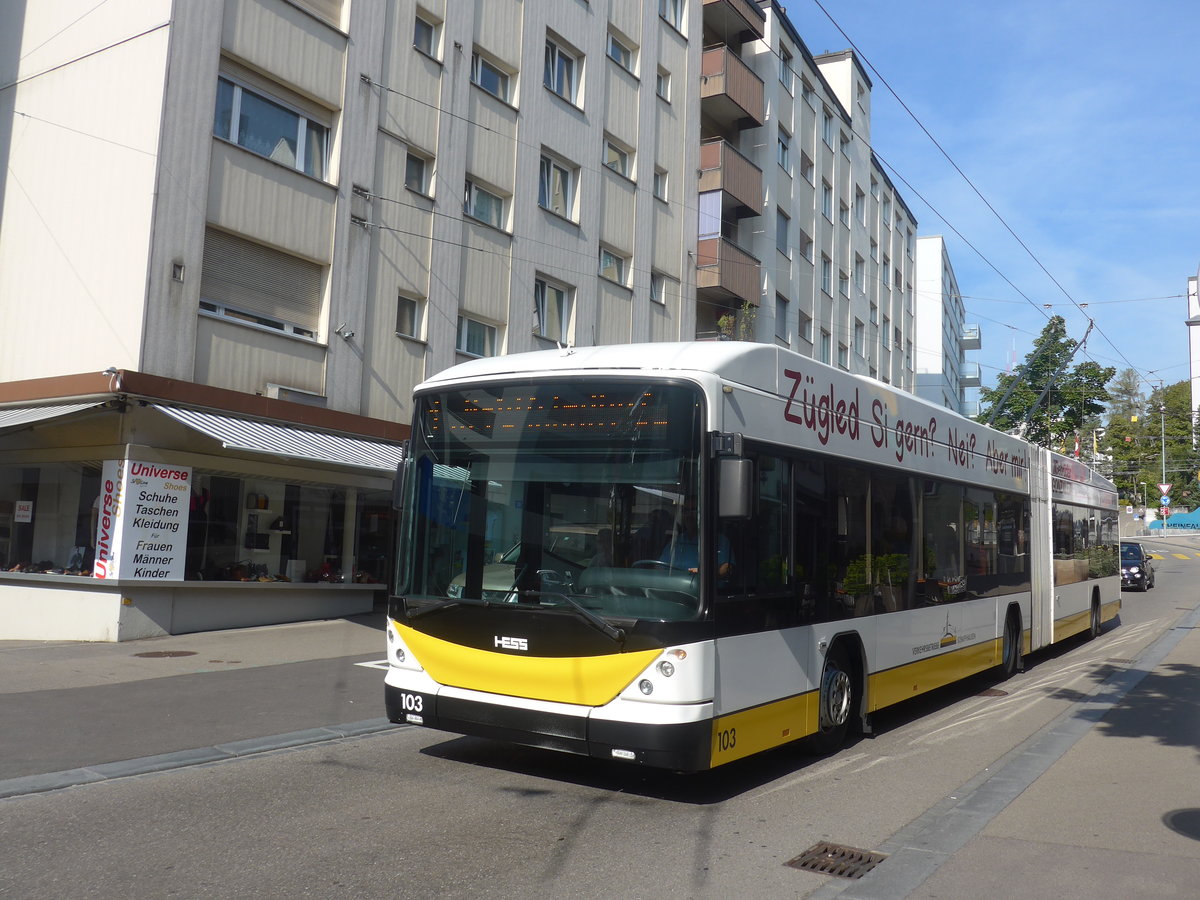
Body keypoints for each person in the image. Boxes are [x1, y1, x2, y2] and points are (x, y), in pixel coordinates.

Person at [659, 499, 732, 576]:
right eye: (686, 511)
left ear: (703, 513)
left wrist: (705, 572)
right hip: (675, 587)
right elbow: (660, 567)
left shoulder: (719, 540)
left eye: (693, 510)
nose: (689, 515)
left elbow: (727, 568)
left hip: (703, 586)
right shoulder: (676, 540)